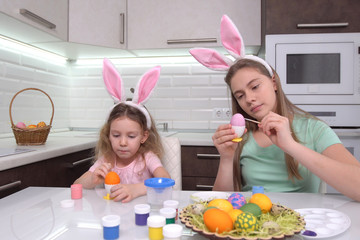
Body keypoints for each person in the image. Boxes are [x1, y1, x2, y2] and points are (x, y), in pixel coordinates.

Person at [190, 15, 360, 201]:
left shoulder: (314, 130)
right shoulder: (241, 139)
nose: (249, 99)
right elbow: (220, 204)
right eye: (240, 95)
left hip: (303, 223)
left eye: (255, 87)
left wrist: (290, 146)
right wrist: (227, 158)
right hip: (255, 225)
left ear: (274, 83)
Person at [74, 59, 170, 203]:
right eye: (116, 135)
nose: (123, 142)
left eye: (131, 136)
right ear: (108, 135)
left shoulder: (147, 158)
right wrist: (93, 180)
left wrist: (136, 189)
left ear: (144, 137)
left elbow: (166, 181)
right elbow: (77, 185)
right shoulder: (107, 159)